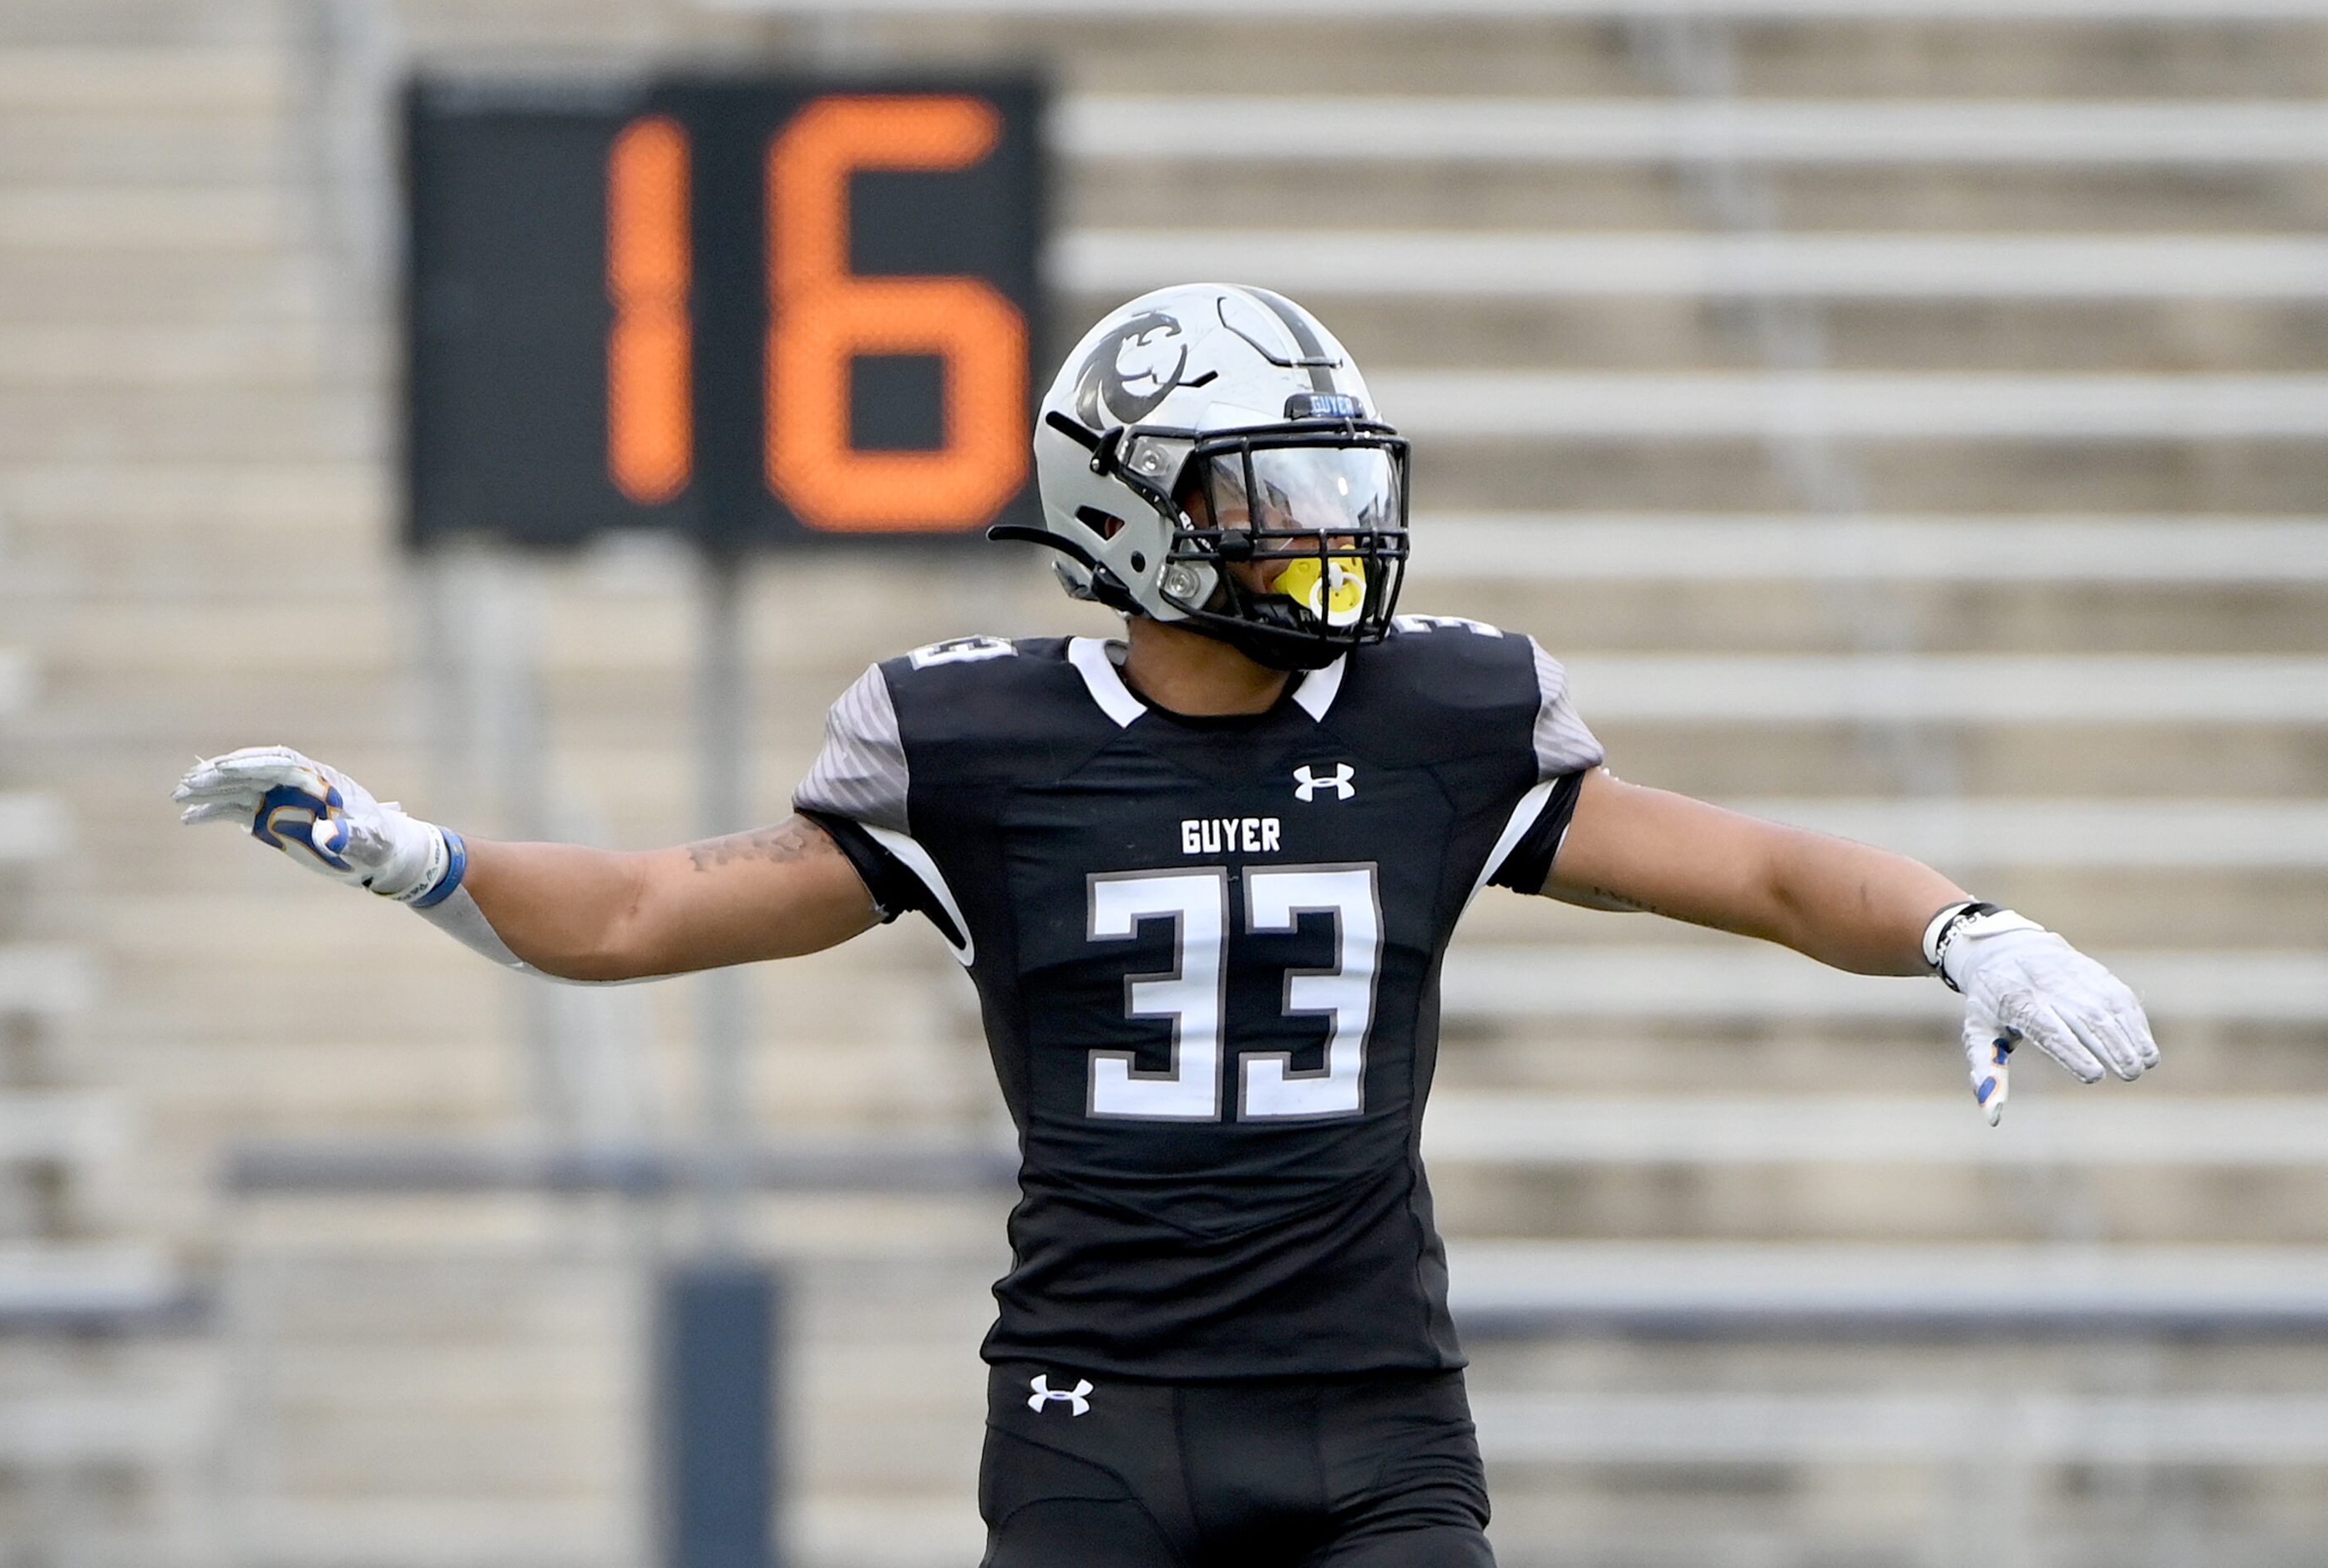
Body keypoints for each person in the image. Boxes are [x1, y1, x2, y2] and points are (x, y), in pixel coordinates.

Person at [177, 284, 2158, 1566]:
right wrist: (407, 852)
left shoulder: (1437, 722)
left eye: (1329, 475)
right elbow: (627, 915)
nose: (1324, 524)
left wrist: (1953, 926)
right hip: (1092, 1427)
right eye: (1262, 488)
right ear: (1124, 513)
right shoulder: (975, 742)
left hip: (1382, 1422)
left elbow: (1752, 870)